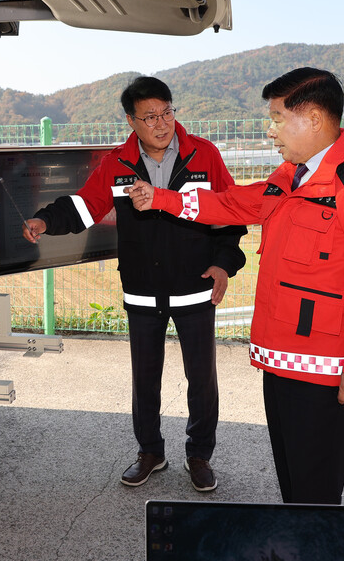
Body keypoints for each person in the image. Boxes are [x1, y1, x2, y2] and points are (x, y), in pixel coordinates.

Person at [128, 68, 344, 504]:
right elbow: (235, 203)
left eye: (276, 118)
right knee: (292, 485)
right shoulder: (291, 176)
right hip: (280, 360)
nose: (269, 129)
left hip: (326, 372)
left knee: (316, 492)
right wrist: (163, 198)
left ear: (312, 119)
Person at [22, 76, 246, 492]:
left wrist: (223, 265)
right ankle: (150, 452)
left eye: (167, 113)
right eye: (150, 117)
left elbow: (230, 212)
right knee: (145, 377)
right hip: (142, 289)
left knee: (202, 378)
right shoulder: (117, 163)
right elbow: (85, 206)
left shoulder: (205, 154)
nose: (161, 124)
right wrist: (45, 220)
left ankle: (199, 455)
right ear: (131, 121)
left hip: (195, 287)